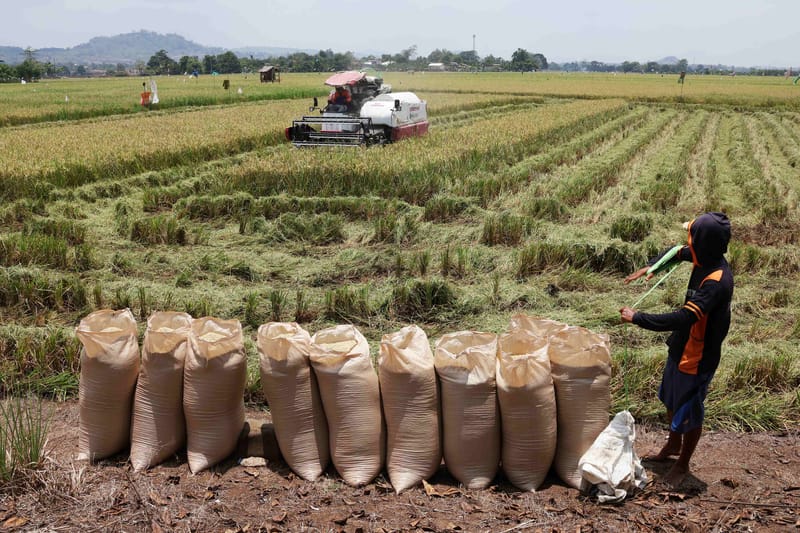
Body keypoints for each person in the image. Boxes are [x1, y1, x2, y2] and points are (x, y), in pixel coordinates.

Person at [619, 212, 733, 489]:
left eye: (691, 238)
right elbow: (674, 252)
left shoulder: (716, 281)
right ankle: (672, 444)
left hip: (698, 355)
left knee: (690, 410)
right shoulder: (702, 256)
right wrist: (652, 267)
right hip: (681, 345)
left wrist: (638, 318)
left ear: (702, 244)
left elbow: (684, 317)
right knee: (670, 398)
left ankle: (683, 463)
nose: (687, 243)